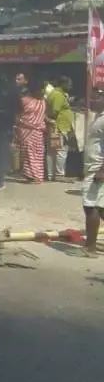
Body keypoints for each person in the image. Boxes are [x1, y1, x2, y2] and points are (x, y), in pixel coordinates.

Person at [80, 86, 104, 258]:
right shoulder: (98, 118)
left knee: (90, 206)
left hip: (98, 168)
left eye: (96, 98)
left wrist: (102, 170)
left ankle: (90, 247)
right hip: (93, 167)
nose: (92, 101)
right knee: (100, 207)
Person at [44, 77, 74, 182]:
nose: (71, 87)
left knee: (52, 151)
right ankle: (59, 175)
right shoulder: (58, 95)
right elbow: (54, 112)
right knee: (61, 151)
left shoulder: (55, 93)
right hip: (59, 127)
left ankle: (51, 175)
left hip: (55, 126)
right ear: (63, 84)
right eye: (69, 85)